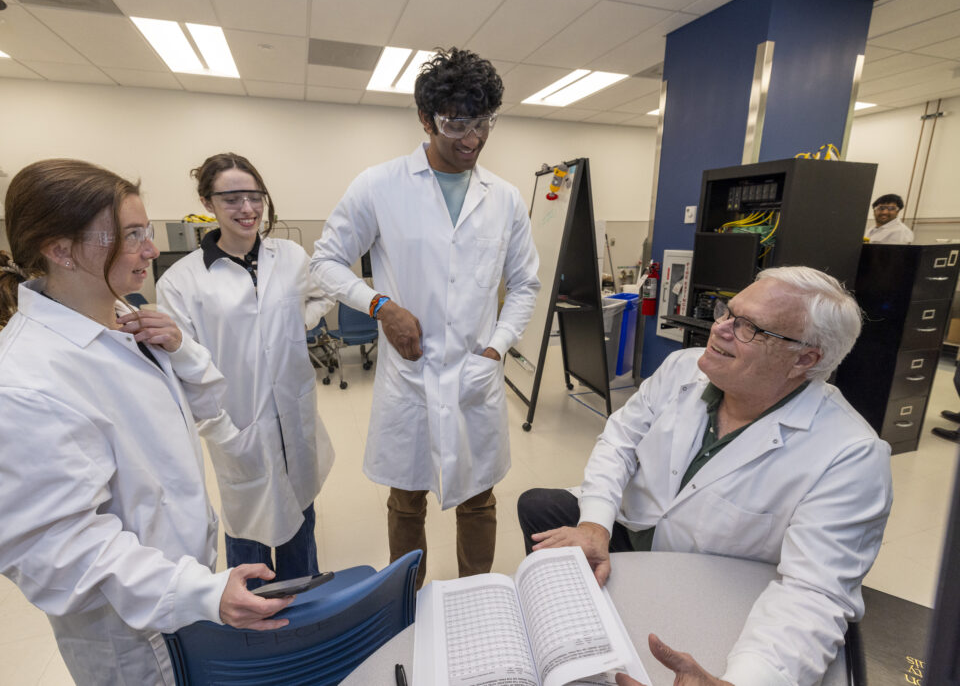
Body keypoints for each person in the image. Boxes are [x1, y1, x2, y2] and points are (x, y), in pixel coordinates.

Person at [0, 159, 293, 686]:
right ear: (62, 250)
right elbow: (52, 551)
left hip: (180, 592)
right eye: (132, 235)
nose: (153, 249)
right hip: (131, 640)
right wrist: (195, 591)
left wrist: (181, 351)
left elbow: (206, 407)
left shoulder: (123, 321)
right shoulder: (19, 383)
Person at [518, 266, 892, 686]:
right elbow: (619, 441)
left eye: (749, 327)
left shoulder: (850, 455)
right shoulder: (683, 368)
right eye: (728, 312)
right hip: (638, 528)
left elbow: (814, 593)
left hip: (714, 584)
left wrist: (744, 682)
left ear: (805, 359)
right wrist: (593, 525)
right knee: (540, 507)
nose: (720, 329)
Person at [310, 47, 540, 587]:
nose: (472, 139)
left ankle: (477, 595)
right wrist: (380, 307)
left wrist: (497, 346)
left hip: (474, 374)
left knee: (479, 497)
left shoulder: (504, 199)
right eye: (456, 122)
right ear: (424, 119)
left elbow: (526, 283)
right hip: (410, 376)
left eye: (483, 123)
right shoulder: (379, 185)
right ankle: (407, 602)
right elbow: (325, 261)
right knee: (407, 499)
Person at [156, 153, 334, 587]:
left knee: (299, 520)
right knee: (249, 537)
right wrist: (221, 431)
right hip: (236, 423)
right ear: (207, 202)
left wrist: (297, 323)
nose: (248, 209)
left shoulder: (289, 256)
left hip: (293, 414)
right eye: (232, 198)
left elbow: (324, 293)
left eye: (256, 197)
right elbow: (183, 367)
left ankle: (304, 610)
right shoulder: (181, 281)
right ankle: (255, 627)